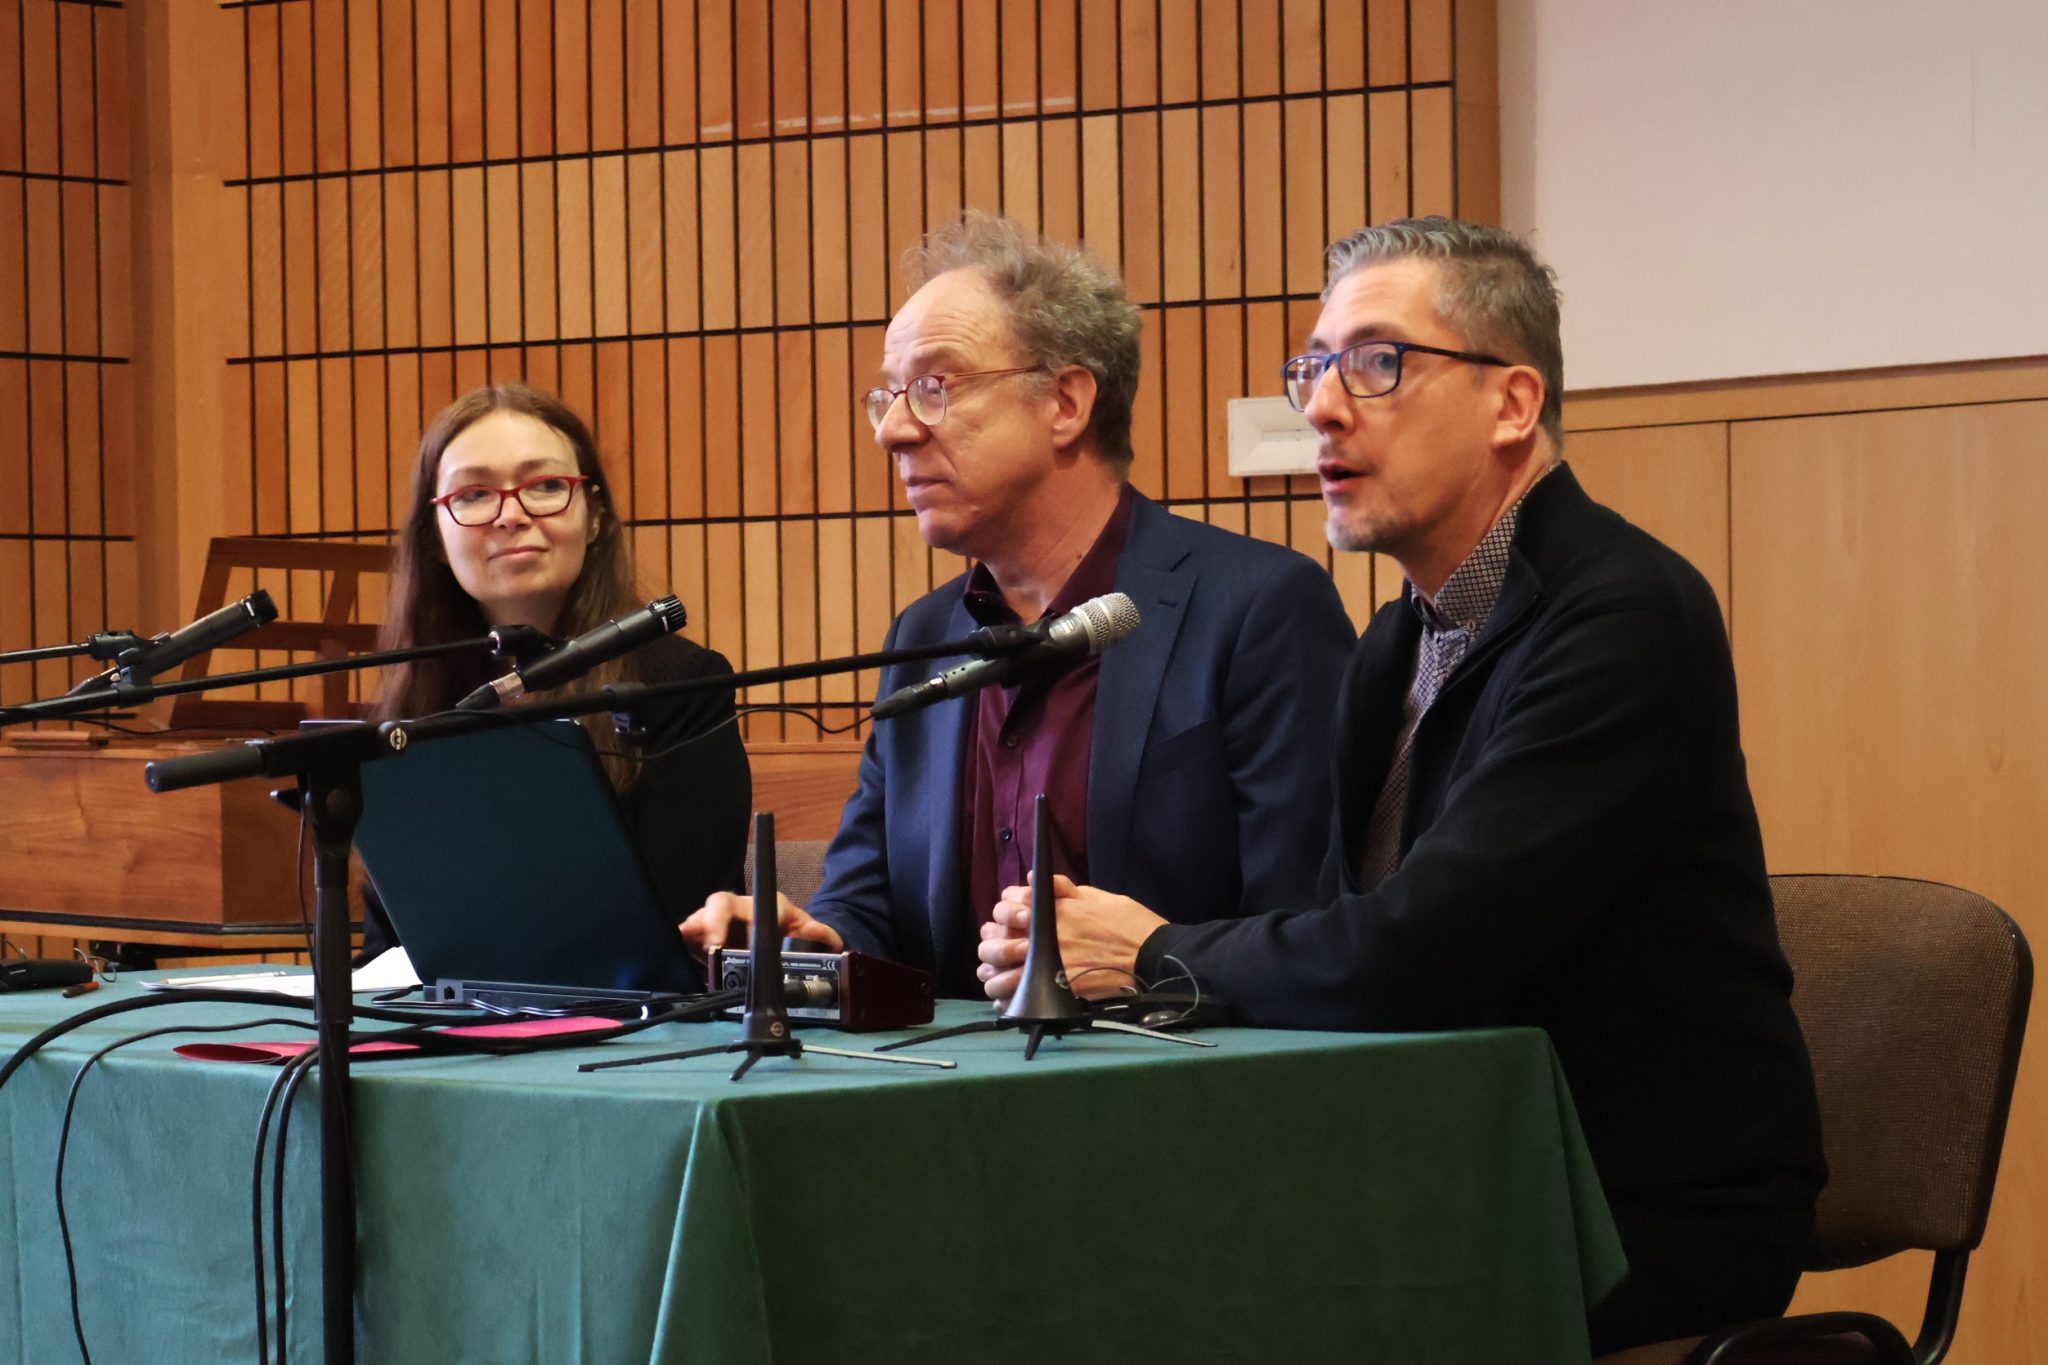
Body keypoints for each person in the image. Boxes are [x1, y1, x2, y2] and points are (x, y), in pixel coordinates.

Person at [982, 217, 1827, 1354]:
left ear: (1511, 403)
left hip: (1639, 1203)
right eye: (1313, 368)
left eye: (1376, 363)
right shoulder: (1394, 642)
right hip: (1446, 1153)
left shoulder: (1623, 616)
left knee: (1169, 1304)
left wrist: (1149, 951)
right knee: (1072, 1249)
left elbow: (1421, 951)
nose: (1324, 409)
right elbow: (1350, 940)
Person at [682, 213, 1355, 997]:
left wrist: (1152, 962)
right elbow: (869, 905)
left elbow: (1306, 926)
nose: (893, 431)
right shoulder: (924, 636)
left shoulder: (1258, 609)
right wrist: (806, 942)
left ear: (1065, 402)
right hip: (952, 1071)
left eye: (934, 387)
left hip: (1178, 1065)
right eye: (889, 396)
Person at [360, 382, 751, 961]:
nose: (511, 515)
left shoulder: (680, 684)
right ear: (435, 539)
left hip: (628, 1012)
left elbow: (684, 929)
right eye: (474, 494)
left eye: (545, 486)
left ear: (594, 518)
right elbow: (389, 947)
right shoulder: (418, 699)